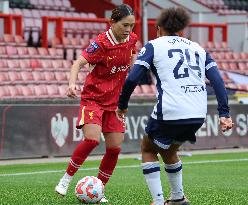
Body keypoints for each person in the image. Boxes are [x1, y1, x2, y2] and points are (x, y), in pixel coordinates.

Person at [117, 7, 233, 205]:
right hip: (197, 113)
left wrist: (122, 105)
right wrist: (224, 113)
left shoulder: (153, 46)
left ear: (158, 28)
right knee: (169, 150)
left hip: (171, 109)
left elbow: (131, 79)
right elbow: (218, 81)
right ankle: (178, 198)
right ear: (181, 31)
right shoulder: (199, 49)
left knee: (147, 147)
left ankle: (158, 200)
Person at [55, 4, 137, 203]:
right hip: (93, 99)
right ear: (112, 23)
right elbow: (78, 63)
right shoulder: (100, 43)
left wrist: (133, 71)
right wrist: (72, 84)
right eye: (124, 25)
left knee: (115, 148)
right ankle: (65, 180)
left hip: (115, 103)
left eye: (132, 26)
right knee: (92, 139)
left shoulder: (132, 39)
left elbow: (133, 52)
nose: (128, 29)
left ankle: (98, 190)